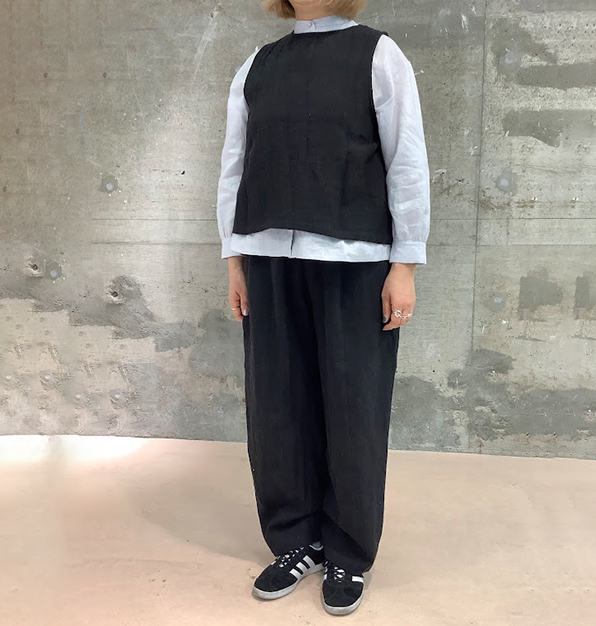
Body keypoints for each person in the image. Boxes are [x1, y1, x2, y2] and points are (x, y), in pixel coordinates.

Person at [216, 0, 430, 616]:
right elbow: (235, 165)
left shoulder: (379, 55)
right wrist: (235, 260)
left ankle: (348, 551)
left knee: (353, 406)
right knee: (276, 407)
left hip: (355, 260)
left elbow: (406, 160)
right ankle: (295, 539)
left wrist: (404, 265)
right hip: (267, 257)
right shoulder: (258, 64)